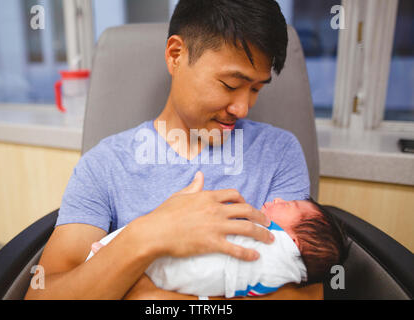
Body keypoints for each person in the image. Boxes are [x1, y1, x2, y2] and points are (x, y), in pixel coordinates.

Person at [24, 0, 318, 300]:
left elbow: (304, 293)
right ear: (176, 55)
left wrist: (147, 297)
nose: (242, 108)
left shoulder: (278, 153)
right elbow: (42, 295)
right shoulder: (105, 165)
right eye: (230, 85)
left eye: (256, 89)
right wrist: (149, 234)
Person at [87, 198, 348, 299]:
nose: (279, 198)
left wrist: (148, 296)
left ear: (295, 243)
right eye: (230, 84)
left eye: (290, 205)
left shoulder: (280, 251)